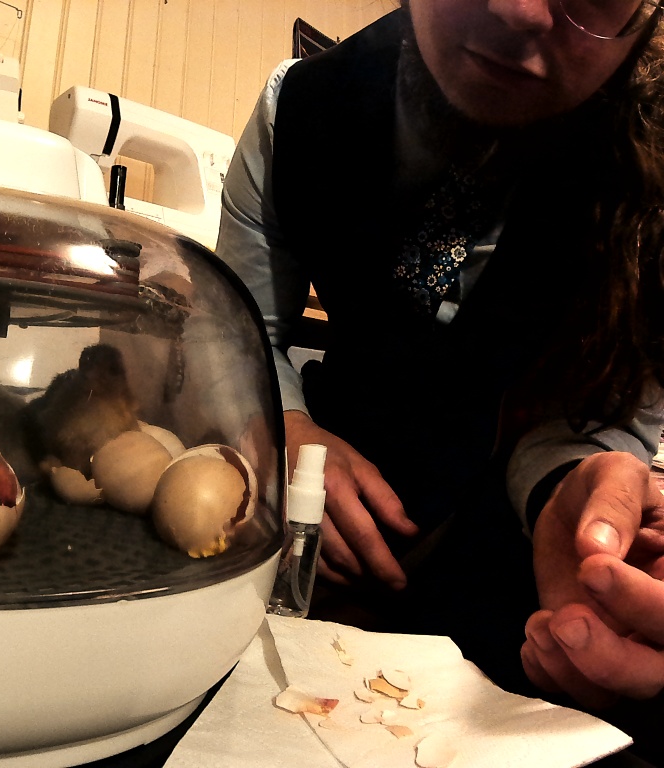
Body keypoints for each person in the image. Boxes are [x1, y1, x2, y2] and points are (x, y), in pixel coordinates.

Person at [217, 0, 664, 758]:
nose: (516, 10)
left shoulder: (654, 190)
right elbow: (242, 334)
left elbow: (608, 412)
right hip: (300, 553)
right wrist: (281, 428)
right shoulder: (295, 111)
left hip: (514, 590)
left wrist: (572, 482)